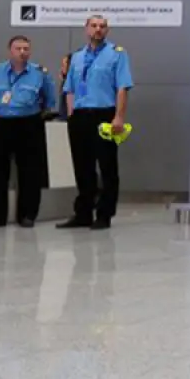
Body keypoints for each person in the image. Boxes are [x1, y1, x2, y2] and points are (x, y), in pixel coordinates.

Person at [59, 15, 133, 230]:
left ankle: (104, 214)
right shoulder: (77, 57)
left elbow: (122, 87)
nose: (98, 29)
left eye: (102, 26)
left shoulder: (117, 54)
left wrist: (119, 116)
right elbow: (69, 89)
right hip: (80, 115)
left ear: (107, 30)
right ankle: (83, 213)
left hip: (104, 114)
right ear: (86, 29)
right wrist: (71, 115)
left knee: (107, 166)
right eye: (94, 26)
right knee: (82, 166)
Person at [0, 35, 56, 229]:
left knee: (30, 172)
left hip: (29, 124)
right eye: (18, 48)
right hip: (2, 124)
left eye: (26, 49)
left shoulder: (40, 74)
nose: (22, 52)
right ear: (10, 51)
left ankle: (27, 215)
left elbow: (49, 101)